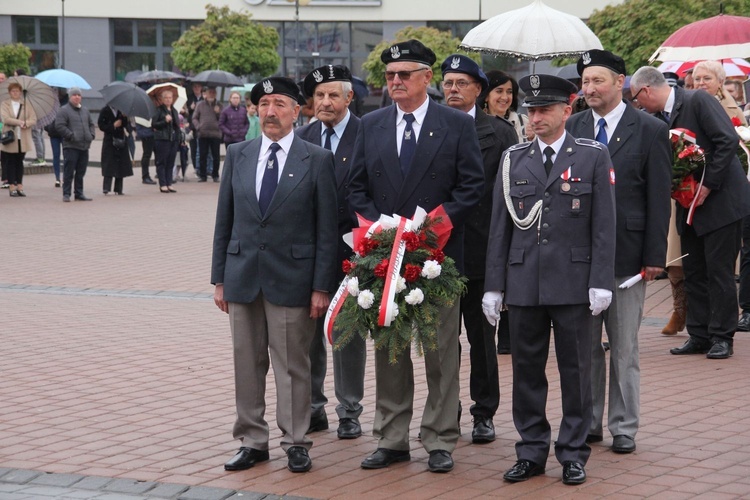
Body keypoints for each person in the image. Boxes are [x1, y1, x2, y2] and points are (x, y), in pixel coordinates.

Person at [348, 39, 484, 473]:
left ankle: (441, 437)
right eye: (390, 76)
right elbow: (354, 187)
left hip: (435, 256)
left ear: (428, 78)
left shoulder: (456, 124)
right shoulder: (370, 124)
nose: (395, 82)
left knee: (441, 349)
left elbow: (471, 186)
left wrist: (428, 232)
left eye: (404, 74)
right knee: (391, 347)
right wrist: (383, 234)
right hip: (386, 258)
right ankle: (391, 437)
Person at [483, 73, 616, 486]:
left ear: (566, 109)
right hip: (524, 280)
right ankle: (531, 451)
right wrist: (493, 284)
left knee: (576, 370)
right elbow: (500, 226)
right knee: (526, 370)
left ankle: (574, 452)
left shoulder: (592, 155)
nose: (535, 117)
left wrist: (601, 281)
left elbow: (603, 224)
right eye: (530, 110)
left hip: (574, 280)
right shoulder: (513, 158)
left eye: (543, 110)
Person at [212, 76, 338, 474]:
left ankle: (297, 440)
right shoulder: (238, 153)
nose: (270, 111)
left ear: (296, 111)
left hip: (293, 279)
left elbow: (326, 229)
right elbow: (224, 220)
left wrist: (321, 286)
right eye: (264, 103)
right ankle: (252, 440)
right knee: (246, 363)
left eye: (279, 104)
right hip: (243, 275)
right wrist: (219, 278)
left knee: (292, 365)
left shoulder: (316, 159)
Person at [567, 50, 672, 454]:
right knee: (584, 347)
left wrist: (654, 258)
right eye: (585, 82)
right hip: (578, 256)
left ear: (621, 83)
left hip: (628, 257)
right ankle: (590, 421)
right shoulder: (572, 126)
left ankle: (624, 426)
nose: (589, 89)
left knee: (624, 346)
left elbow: (658, 198)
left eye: (598, 81)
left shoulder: (648, 129)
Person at [630, 66, 750, 359]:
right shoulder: (655, 119)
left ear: (646, 91)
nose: (637, 105)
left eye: (636, 98)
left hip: (721, 202)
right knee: (693, 271)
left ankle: (722, 336)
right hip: (687, 206)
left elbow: (727, 142)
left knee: (719, 271)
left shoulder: (697, 101)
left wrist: (708, 185)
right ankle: (699, 334)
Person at [440, 54, 517, 444]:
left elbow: (511, 197)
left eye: (461, 84)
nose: (453, 90)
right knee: (441, 340)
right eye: (448, 83)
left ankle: (483, 412)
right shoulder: (431, 127)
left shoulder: (500, 134)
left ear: (478, 90)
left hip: (484, 251)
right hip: (438, 254)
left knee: (482, 340)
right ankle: (445, 409)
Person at [296, 64, 365, 440]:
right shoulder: (302, 136)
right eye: (319, 95)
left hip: (350, 250)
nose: (325, 102)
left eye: (333, 95)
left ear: (348, 98)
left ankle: (349, 409)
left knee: (345, 331)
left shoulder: (367, 134)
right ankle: (313, 406)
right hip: (306, 251)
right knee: (307, 331)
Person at [55, 86, 95, 202]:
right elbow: (60, 126)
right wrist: (71, 136)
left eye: (79, 95)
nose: (77, 97)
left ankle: (79, 193)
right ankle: (66, 193)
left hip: (84, 146)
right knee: (69, 171)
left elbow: (91, 124)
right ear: (70, 96)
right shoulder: (64, 110)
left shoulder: (85, 110)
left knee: (81, 171)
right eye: (74, 95)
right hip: (71, 146)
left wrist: (91, 135)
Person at [1, 80, 37, 197]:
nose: (15, 93)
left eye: (17, 91)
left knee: (20, 162)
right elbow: (5, 118)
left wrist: (27, 123)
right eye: (13, 91)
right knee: (10, 161)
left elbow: (33, 118)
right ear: (9, 92)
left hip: (23, 136)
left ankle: (20, 185)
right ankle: (12, 186)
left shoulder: (26, 104)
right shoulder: (5, 104)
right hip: (11, 137)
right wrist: (20, 122)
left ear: (21, 92)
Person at [481, 70, 531, 143]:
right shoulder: (476, 122)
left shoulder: (523, 122)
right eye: (499, 91)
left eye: (509, 92)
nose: (505, 97)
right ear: (486, 96)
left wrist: (533, 138)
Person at [694, 61, 747, 126]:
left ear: (720, 82)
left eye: (707, 78)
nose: (701, 83)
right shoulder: (686, 106)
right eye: (697, 79)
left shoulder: (735, 111)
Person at [98, 105, 134, 195]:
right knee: (108, 163)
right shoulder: (105, 110)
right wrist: (113, 125)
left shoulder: (121, 110)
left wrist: (125, 117)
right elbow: (101, 125)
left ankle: (118, 188)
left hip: (121, 139)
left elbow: (126, 126)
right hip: (109, 140)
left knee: (120, 164)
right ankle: (106, 187)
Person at [151, 88, 180, 193]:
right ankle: (162, 184)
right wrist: (165, 121)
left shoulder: (174, 110)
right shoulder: (158, 110)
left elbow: (177, 126)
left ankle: (169, 183)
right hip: (162, 139)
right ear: (162, 99)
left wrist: (180, 139)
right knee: (162, 162)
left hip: (173, 139)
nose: (168, 100)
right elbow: (154, 125)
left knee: (170, 162)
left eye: (170, 98)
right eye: (166, 98)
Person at [192, 87, 223, 182]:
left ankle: (215, 175)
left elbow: (223, 119)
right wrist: (198, 127)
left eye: (213, 93)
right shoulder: (200, 104)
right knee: (202, 155)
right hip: (203, 133)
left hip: (215, 134)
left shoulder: (219, 105)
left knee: (216, 156)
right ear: (206, 94)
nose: (211, 94)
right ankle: (203, 175)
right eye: (210, 92)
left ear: (216, 94)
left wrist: (218, 113)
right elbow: (194, 118)